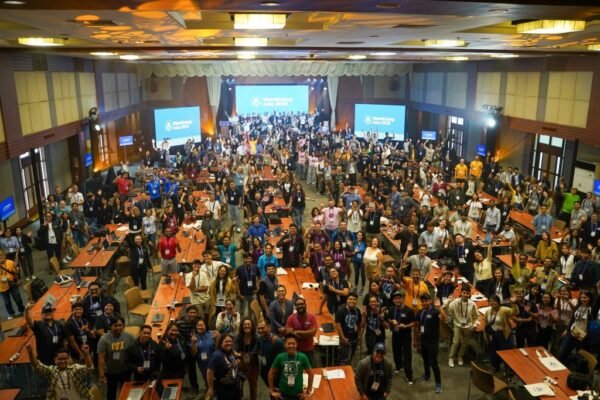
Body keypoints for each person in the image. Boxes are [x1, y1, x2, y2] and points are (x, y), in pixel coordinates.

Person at [25, 342, 93, 400]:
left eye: (65, 359)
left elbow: (89, 368)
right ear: (55, 360)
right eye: (60, 359)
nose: (63, 361)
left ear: (69, 359)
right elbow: (37, 366)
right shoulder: (51, 371)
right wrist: (30, 353)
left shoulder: (75, 368)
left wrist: (86, 354)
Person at [97, 316, 136, 400]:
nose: (118, 327)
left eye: (120, 325)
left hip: (125, 370)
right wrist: (101, 375)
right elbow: (101, 358)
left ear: (123, 325)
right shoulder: (104, 339)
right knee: (111, 393)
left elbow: (136, 349)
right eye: (115, 325)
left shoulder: (129, 337)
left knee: (126, 391)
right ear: (110, 326)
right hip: (110, 371)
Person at [416, 293, 446, 394]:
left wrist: (440, 307)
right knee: (425, 359)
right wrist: (415, 340)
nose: (424, 303)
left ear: (430, 301)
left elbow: (444, 318)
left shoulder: (435, 311)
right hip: (423, 340)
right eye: (422, 301)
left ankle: (438, 383)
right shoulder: (420, 312)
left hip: (433, 342)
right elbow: (417, 326)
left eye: (426, 301)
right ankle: (427, 374)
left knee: (433, 363)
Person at [268, 334, 313, 400]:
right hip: (283, 394)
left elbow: (311, 374)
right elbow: (270, 373)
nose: (291, 345)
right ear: (284, 345)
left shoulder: (303, 357)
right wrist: (271, 390)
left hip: (298, 394)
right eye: (289, 344)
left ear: (297, 344)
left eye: (293, 343)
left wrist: (309, 390)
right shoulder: (279, 357)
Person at [445, 286, 479, 367]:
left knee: (464, 343)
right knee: (456, 342)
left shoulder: (472, 304)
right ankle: (451, 357)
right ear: (461, 293)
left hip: (468, 326)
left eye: (467, 293)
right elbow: (448, 311)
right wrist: (448, 302)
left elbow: (476, 316)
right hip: (458, 325)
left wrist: (474, 325)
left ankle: (460, 356)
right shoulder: (455, 302)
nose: (465, 295)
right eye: (464, 293)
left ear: (469, 294)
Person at [386, 291, 415, 382]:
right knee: (396, 352)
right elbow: (388, 318)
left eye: (399, 298)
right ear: (393, 300)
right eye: (395, 299)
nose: (397, 300)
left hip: (406, 335)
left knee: (407, 355)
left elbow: (414, 323)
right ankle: (399, 366)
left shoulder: (409, 310)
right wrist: (391, 321)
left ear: (402, 299)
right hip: (395, 334)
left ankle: (409, 375)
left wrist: (405, 326)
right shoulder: (391, 309)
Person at [206, 333, 242, 400]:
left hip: (234, 387)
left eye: (230, 341)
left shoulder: (230, 352)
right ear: (221, 343)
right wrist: (210, 388)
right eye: (226, 341)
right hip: (224, 390)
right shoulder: (217, 355)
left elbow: (238, 356)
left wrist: (237, 360)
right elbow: (209, 372)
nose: (229, 343)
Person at [285, 296, 318, 365]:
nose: (300, 306)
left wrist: (297, 332)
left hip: (309, 349)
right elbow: (289, 334)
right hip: (296, 350)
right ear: (295, 307)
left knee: (309, 368)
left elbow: (312, 333)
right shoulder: (291, 318)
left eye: (302, 304)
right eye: (298, 305)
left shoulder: (312, 317)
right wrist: (307, 334)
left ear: (305, 305)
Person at [335, 292, 363, 365]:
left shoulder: (357, 310)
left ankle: (348, 366)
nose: (352, 301)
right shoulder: (341, 310)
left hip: (354, 338)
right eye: (350, 299)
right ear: (347, 300)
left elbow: (359, 324)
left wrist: (359, 335)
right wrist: (343, 338)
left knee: (351, 356)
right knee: (343, 359)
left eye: (354, 299)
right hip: (345, 339)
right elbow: (338, 325)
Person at [234, 318, 259, 400]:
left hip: (253, 363)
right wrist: (238, 356)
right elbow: (235, 349)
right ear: (242, 326)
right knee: (238, 383)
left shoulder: (256, 337)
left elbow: (254, 352)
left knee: (253, 384)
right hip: (240, 361)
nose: (246, 326)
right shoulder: (238, 336)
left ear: (252, 326)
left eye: (248, 324)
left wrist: (241, 354)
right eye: (245, 324)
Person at [256, 319, 284, 387]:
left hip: (275, 374)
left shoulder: (277, 341)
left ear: (269, 327)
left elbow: (282, 361)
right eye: (258, 329)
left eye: (262, 328)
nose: (260, 330)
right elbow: (255, 350)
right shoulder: (260, 339)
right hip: (265, 372)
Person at [193, 319, 217, 391]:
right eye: (198, 325)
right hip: (203, 364)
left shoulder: (212, 333)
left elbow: (219, 348)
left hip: (214, 362)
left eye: (201, 325)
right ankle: (209, 391)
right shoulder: (194, 337)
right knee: (207, 380)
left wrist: (216, 340)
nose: (199, 327)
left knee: (216, 379)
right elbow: (194, 353)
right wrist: (194, 343)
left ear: (205, 326)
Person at [0, 249, 24, 319]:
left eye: (1, 256)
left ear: (5, 256)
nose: (0, 258)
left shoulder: (10, 262)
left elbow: (15, 273)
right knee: (7, 302)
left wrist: (17, 270)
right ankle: (11, 313)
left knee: (17, 298)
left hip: (12, 283)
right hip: (2, 287)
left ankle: (21, 310)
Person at [235, 253, 260, 318]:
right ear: (243, 259)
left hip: (253, 293)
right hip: (243, 293)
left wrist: (258, 287)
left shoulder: (255, 267)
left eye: (249, 258)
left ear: (251, 259)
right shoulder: (239, 269)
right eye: (245, 258)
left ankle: (250, 322)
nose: (247, 260)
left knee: (251, 310)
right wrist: (239, 294)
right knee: (242, 311)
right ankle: (241, 322)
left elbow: (259, 278)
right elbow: (236, 282)